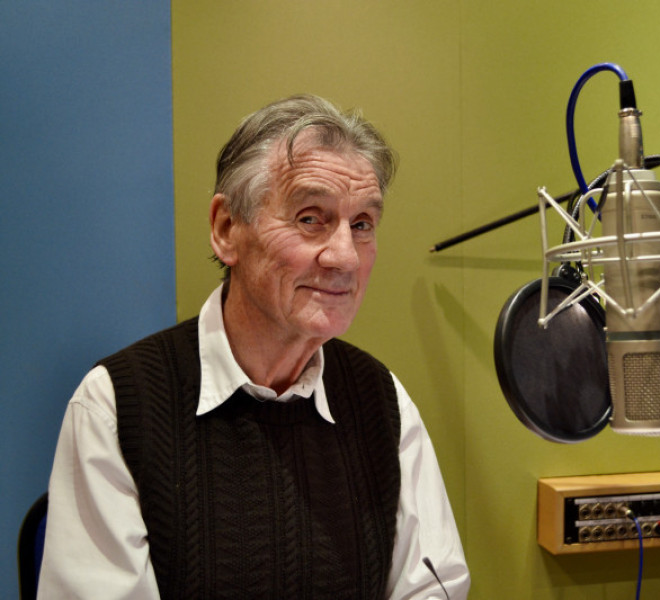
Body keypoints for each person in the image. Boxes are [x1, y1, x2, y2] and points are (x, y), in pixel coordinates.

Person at [38, 94, 470, 599]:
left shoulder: (383, 402)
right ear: (226, 230)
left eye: (362, 225)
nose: (345, 258)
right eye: (312, 218)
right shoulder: (116, 407)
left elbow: (434, 586)